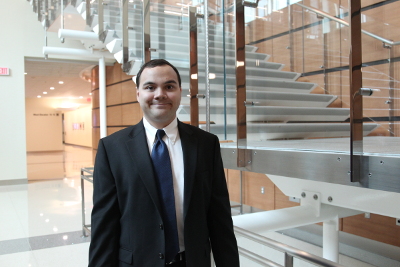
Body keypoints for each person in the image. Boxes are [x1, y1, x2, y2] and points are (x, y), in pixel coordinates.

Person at [88, 59, 240, 267]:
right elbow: (104, 225)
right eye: (150, 87)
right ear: (138, 94)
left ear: (180, 92)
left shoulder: (206, 144)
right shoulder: (112, 149)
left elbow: (219, 218)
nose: (160, 94)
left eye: (169, 86)